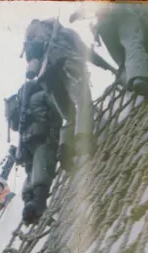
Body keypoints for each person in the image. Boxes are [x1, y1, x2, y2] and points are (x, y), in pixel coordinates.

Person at [22, 18, 116, 167]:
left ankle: (64, 147)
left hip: (47, 77)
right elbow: (86, 52)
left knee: (69, 115)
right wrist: (109, 68)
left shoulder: (33, 46)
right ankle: (83, 139)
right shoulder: (65, 33)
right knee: (83, 101)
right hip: (68, 63)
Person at [70, 2, 148, 97]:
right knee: (133, 44)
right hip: (121, 11)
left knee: (122, 61)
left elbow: (89, 6)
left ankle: (128, 81)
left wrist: (77, 14)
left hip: (103, 25)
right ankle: (139, 78)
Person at [5, 80, 63, 224]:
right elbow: (59, 109)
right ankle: (38, 201)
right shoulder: (40, 97)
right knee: (41, 162)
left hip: (33, 145)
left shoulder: (22, 118)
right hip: (47, 140)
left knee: (31, 171)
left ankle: (30, 202)